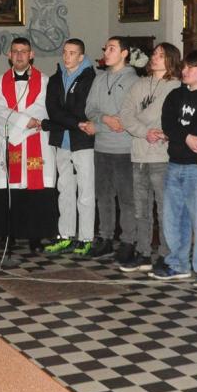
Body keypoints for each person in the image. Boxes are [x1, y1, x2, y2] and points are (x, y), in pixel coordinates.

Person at [149, 50, 197, 282]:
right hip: (175, 163)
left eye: (190, 67)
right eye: (184, 67)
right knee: (174, 218)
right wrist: (185, 137)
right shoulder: (175, 95)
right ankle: (178, 264)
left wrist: (185, 136)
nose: (184, 71)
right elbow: (168, 124)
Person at [119, 42, 182, 272]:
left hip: (161, 156)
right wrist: (144, 131)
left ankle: (166, 254)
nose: (154, 58)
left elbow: (158, 113)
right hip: (139, 153)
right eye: (154, 54)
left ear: (172, 59)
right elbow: (125, 115)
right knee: (141, 209)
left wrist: (138, 121)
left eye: (161, 55)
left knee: (164, 209)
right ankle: (143, 252)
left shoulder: (175, 86)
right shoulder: (139, 84)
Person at [0, 37, 58, 252]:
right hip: (11, 140)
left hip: (36, 140)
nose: (19, 55)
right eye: (15, 51)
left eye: (24, 51)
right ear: (9, 55)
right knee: (10, 189)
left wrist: (23, 125)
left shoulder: (45, 81)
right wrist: (23, 123)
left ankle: (35, 236)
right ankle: (8, 234)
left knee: (35, 189)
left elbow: (43, 108)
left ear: (31, 55)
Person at [83, 37, 139, 259]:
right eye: (105, 49)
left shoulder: (134, 81)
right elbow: (90, 109)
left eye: (112, 49)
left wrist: (99, 125)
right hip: (101, 147)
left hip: (124, 148)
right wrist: (104, 120)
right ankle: (105, 237)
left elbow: (127, 118)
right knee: (103, 196)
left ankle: (128, 241)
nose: (106, 52)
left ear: (124, 53)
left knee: (126, 198)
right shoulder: (99, 79)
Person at [42, 38, 96, 255]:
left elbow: (82, 109)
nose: (67, 56)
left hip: (83, 142)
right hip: (62, 141)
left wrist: (64, 121)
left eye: (72, 53)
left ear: (81, 57)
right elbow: (53, 110)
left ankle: (86, 237)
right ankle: (65, 235)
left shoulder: (90, 78)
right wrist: (73, 122)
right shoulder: (56, 79)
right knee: (64, 190)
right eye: (65, 52)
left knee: (85, 190)